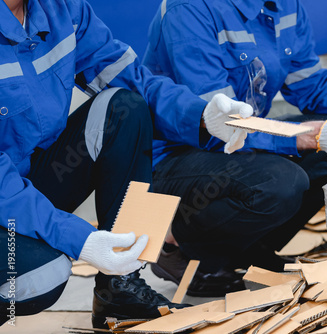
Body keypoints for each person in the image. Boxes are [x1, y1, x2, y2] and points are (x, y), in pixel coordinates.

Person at [142, 0, 327, 297]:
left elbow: (313, 87)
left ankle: (249, 248)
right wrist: (313, 136)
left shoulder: (284, 5)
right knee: (280, 181)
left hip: (242, 141)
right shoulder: (190, 9)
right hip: (179, 156)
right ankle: (177, 244)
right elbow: (220, 124)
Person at [0, 0, 251, 328]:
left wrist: (200, 116)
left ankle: (121, 288)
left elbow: (130, 79)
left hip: (28, 180)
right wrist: (80, 238)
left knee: (126, 107)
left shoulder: (62, 9)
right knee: (39, 275)